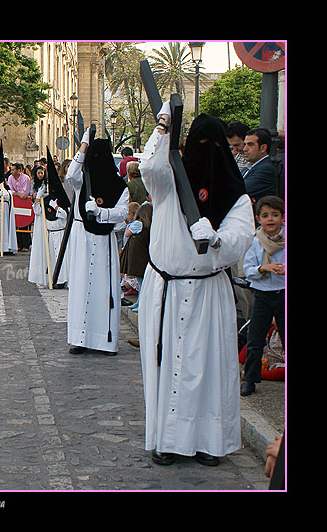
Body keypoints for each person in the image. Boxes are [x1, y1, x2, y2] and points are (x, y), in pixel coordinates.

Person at [137, 104, 255, 467]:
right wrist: (163, 125)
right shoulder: (170, 183)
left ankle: (208, 441)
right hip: (166, 291)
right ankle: (165, 440)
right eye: (198, 143)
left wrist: (217, 239)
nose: (205, 152)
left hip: (207, 293)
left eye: (212, 144)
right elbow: (149, 167)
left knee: (208, 370)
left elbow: (242, 235)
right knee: (164, 367)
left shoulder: (236, 196)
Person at [64, 127, 129, 356]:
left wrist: (102, 213)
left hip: (105, 242)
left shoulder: (120, 186)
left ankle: (105, 340)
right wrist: (82, 146)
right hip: (82, 235)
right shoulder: (85, 179)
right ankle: (79, 338)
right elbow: (71, 175)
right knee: (81, 288)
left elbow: (123, 213)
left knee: (104, 290)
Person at [240, 195, 285, 396]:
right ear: (258, 219)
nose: (270, 219)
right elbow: (247, 269)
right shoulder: (256, 242)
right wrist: (263, 268)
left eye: (275, 215)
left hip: (283, 294)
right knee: (255, 339)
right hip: (263, 295)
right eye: (265, 215)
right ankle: (250, 379)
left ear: (282, 218)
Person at [29, 148, 70, 289]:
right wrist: (39, 199)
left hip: (60, 231)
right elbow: (38, 212)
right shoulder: (46, 199)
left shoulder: (61, 199)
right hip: (50, 232)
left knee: (61, 257)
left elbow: (66, 215)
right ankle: (53, 278)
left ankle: (62, 279)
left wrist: (57, 208)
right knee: (51, 258)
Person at [119, 202, 152, 312]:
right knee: (140, 281)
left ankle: (141, 303)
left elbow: (127, 233)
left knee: (141, 281)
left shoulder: (138, 224)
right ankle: (139, 302)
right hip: (142, 256)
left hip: (138, 257)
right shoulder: (148, 225)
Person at [242, 128, 279, 209]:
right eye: (245, 144)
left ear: (263, 148)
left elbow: (238, 190)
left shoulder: (266, 169)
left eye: (250, 144)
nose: (245, 149)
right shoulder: (247, 168)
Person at [7, 163, 31, 251]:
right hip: (15, 202)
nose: (11, 171)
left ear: (19, 171)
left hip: (25, 203)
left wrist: (18, 194)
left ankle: (26, 244)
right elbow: (10, 190)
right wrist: (17, 194)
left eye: (13, 170)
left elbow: (25, 193)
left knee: (24, 222)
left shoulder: (26, 178)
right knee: (16, 223)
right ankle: (18, 244)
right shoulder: (10, 178)